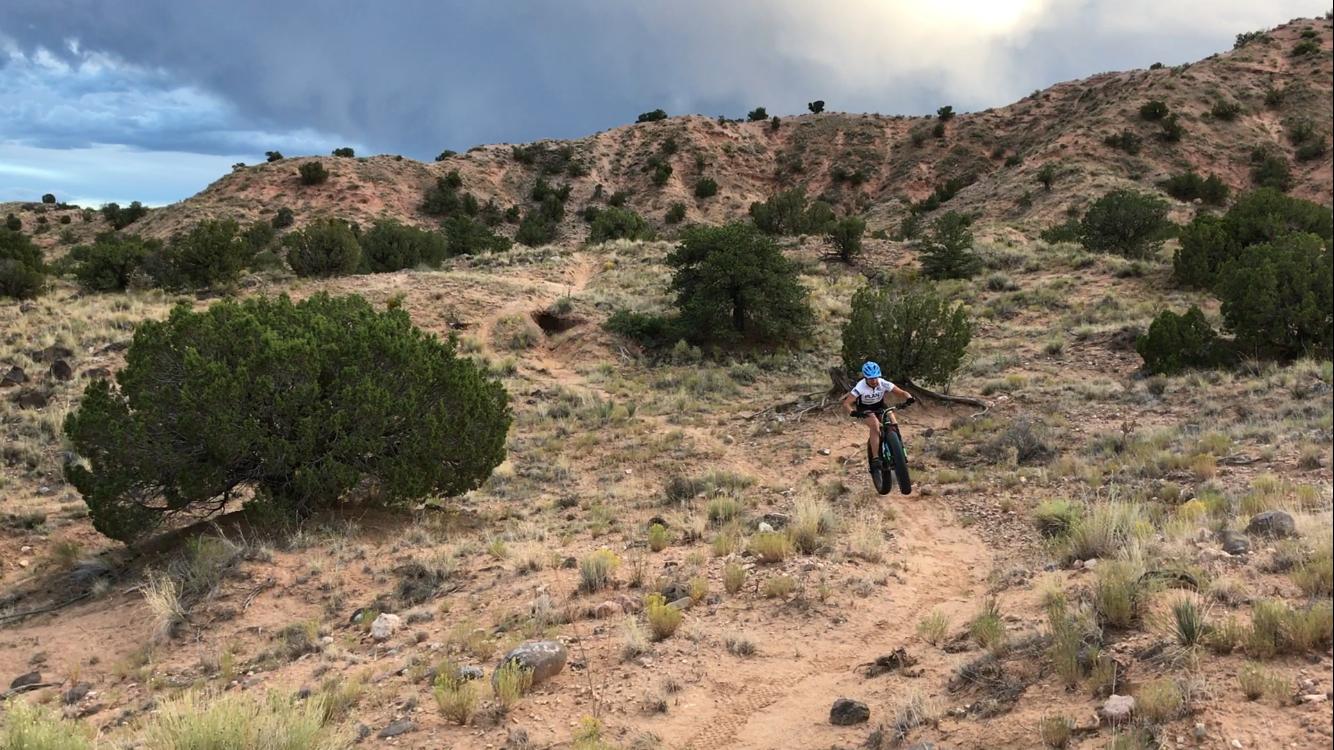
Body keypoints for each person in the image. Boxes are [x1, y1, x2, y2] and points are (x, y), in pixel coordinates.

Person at [841, 361, 914, 471]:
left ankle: (899, 450)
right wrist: (853, 412)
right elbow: (846, 403)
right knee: (875, 425)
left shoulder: (882, 382)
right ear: (865, 378)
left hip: (880, 406)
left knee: (893, 422)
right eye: (870, 378)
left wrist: (909, 398)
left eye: (875, 377)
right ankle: (875, 458)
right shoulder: (860, 386)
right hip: (865, 409)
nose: (874, 381)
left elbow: (901, 392)